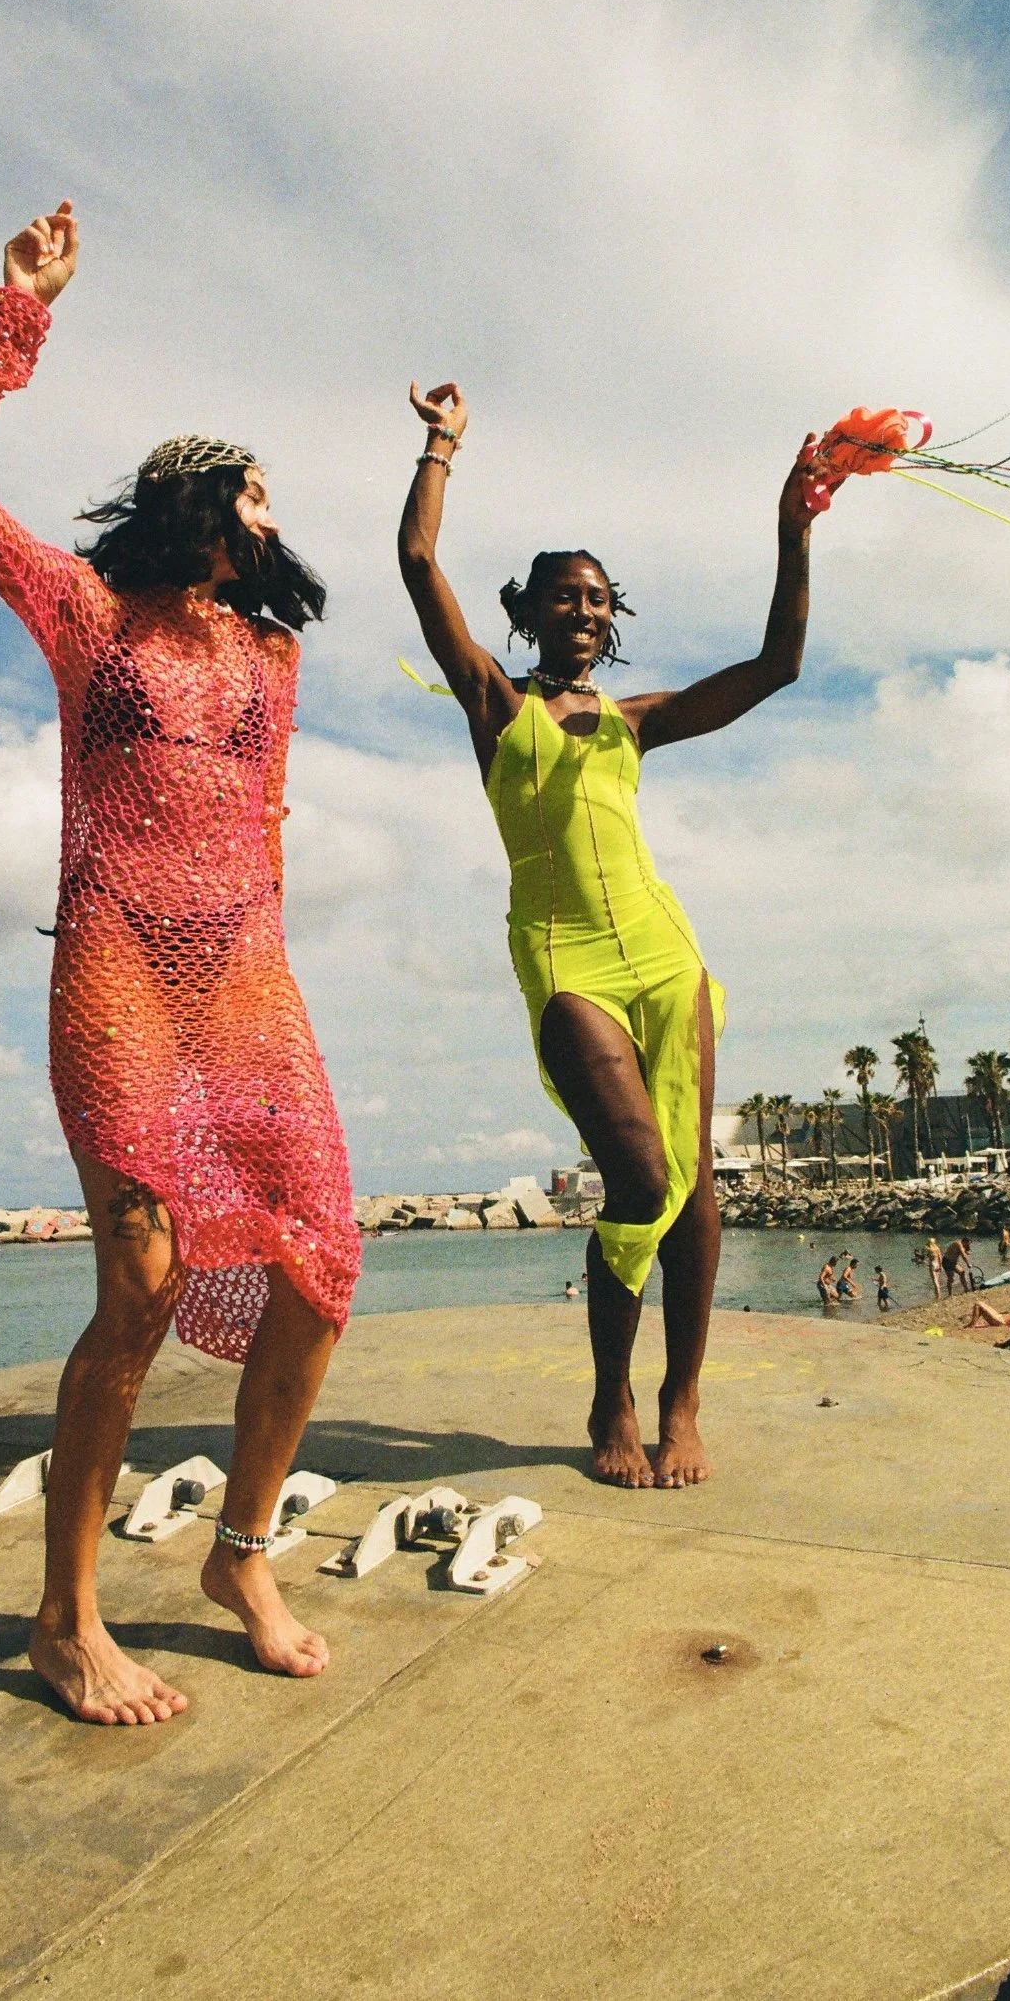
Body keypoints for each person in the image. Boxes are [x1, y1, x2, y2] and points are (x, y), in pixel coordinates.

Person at [0, 204, 361, 1723]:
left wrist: (267, 985)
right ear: (199, 510)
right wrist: (13, 313)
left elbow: (261, 831)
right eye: (258, 496)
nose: (275, 520)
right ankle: (64, 1614)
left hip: (245, 981)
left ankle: (240, 1553)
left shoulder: (274, 658)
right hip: (114, 970)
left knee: (318, 1264)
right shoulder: (88, 617)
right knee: (145, 1276)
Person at [397, 377, 833, 1487]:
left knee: (695, 1180)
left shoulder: (637, 724)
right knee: (639, 1180)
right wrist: (441, 446)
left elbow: (776, 667)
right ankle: (609, 1392)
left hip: (663, 951)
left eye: (600, 601)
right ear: (530, 610)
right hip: (564, 960)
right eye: (566, 598)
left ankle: (681, 1400)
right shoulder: (496, 706)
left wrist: (791, 529)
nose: (586, 613)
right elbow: (414, 563)